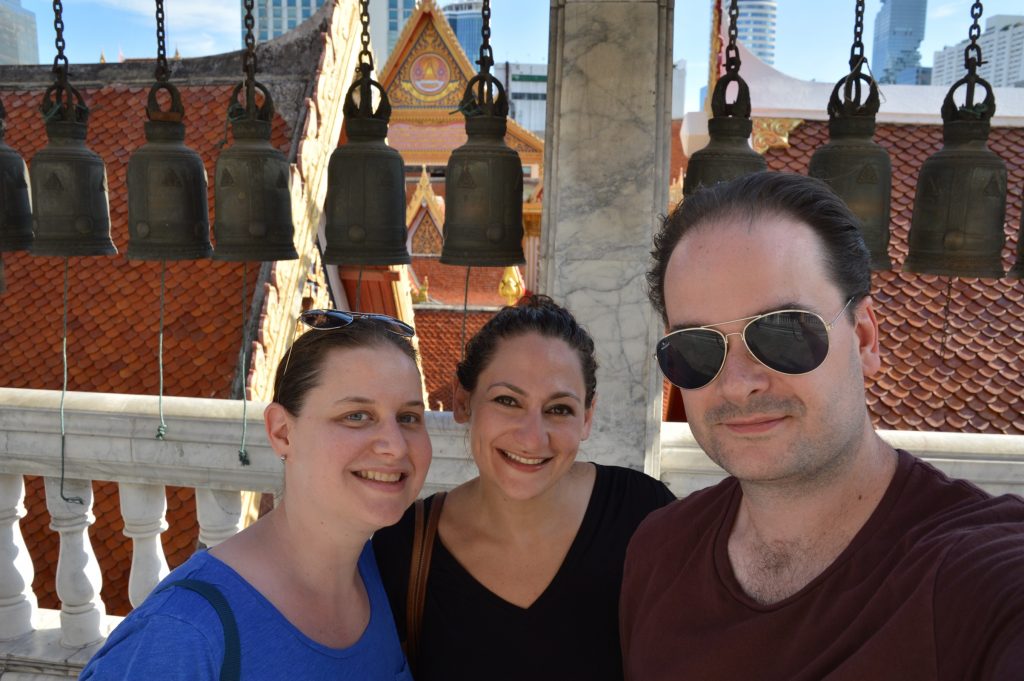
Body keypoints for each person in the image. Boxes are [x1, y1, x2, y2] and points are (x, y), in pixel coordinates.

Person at [620, 171, 1024, 680]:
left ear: (864, 338)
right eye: (697, 348)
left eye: (785, 333)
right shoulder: (659, 550)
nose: (739, 384)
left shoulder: (974, 578)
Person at [81, 310, 431, 680]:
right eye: (356, 416)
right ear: (282, 432)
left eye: (408, 417)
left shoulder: (384, 575)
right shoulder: (183, 633)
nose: (395, 445)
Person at [373, 295, 675, 681]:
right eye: (507, 401)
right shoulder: (404, 550)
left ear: (587, 417)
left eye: (560, 409)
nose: (533, 439)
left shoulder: (644, 517)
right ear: (462, 402)